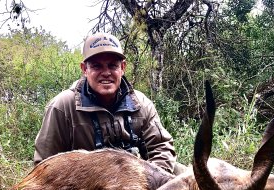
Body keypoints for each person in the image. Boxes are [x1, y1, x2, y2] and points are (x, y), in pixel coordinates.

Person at [34, 32, 177, 173]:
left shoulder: (141, 103)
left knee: (185, 177)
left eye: (112, 65)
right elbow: (44, 167)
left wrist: (150, 185)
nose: (106, 73)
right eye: (97, 66)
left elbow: (161, 147)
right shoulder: (62, 107)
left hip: (137, 185)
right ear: (84, 69)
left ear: (123, 68)